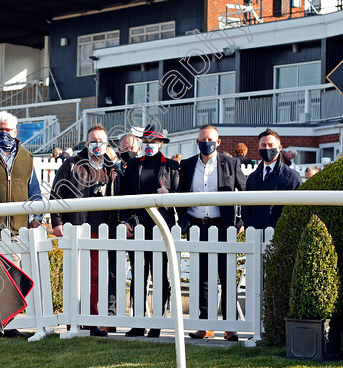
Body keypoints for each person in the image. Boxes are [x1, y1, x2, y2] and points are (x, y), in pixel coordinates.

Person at [50, 124, 121, 336]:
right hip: (77, 229)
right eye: (92, 141)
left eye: (100, 141)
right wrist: (57, 222)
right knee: (75, 276)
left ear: (107, 144)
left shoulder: (112, 169)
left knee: (97, 278)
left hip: (103, 231)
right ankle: (77, 320)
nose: (96, 145)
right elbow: (56, 194)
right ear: (86, 143)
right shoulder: (72, 165)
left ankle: (90, 319)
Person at [178, 125, 246, 341]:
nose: (206, 142)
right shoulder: (187, 165)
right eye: (202, 139)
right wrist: (185, 222)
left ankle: (230, 326)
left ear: (218, 142)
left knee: (227, 277)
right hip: (197, 227)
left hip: (223, 227)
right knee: (202, 278)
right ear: (197, 142)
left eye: (210, 139)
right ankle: (205, 326)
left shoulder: (231, 163)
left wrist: (241, 222)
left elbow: (246, 193)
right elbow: (180, 194)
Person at [120, 125, 180, 338]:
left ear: (161, 143)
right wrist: (125, 219)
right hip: (137, 227)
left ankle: (158, 322)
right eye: (145, 141)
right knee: (138, 275)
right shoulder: (134, 164)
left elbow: (180, 198)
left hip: (160, 228)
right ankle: (138, 322)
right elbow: (124, 195)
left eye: (153, 141)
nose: (149, 145)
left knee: (160, 276)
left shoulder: (172, 166)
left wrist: (169, 193)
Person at [243, 129, 302, 231]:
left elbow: (296, 210)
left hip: (280, 235)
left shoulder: (292, 177)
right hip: (255, 234)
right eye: (263, 145)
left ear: (279, 148)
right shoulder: (252, 177)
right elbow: (246, 206)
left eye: (271, 145)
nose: (267, 148)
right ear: (259, 147)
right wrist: (250, 226)